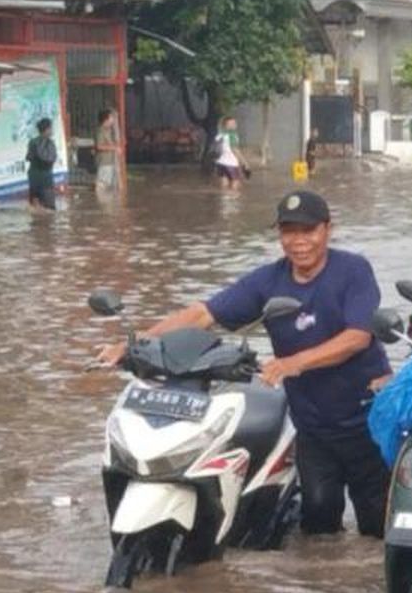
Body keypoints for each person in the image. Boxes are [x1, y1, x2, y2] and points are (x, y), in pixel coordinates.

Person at [97, 190, 392, 537]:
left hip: (366, 421)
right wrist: (136, 343)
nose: (298, 242)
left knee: (377, 528)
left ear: (328, 229)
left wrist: (292, 362)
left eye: (308, 231)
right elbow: (204, 313)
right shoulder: (268, 281)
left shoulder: (353, 271)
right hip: (313, 428)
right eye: (288, 232)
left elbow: (358, 336)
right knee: (320, 529)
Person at [26, 118, 58, 210]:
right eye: (51, 128)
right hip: (45, 179)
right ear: (47, 129)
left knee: (35, 208)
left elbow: (28, 157)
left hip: (33, 178)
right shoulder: (50, 143)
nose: (52, 130)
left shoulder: (32, 142)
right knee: (50, 210)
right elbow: (51, 159)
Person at [214, 116, 249, 190]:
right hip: (231, 164)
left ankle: (224, 200)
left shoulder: (220, 134)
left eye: (234, 123)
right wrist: (244, 162)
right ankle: (232, 201)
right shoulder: (232, 135)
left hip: (221, 163)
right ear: (226, 125)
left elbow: (218, 147)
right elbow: (235, 149)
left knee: (224, 186)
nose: (234, 125)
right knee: (235, 186)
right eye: (232, 123)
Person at [94, 109, 121, 194]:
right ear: (106, 119)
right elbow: (99, 146)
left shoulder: (108, 130)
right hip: (104, 162)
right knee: (102, 185)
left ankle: (106, 204)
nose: (112, 120)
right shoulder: (100, 131)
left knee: (108, 186)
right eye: (111, 118)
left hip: (109, 162)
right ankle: (102, 205)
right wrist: (114, 148)